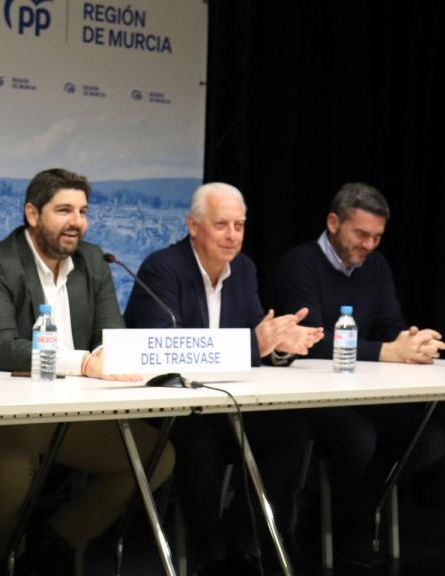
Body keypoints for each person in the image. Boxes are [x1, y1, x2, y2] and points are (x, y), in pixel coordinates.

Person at [0, 168, 175, 575]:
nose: (77, 222)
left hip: (68, 415)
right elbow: (0, 348)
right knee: (6, 470)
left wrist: (108, 355)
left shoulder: (93, 261)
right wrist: (83, 363)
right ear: (32, 214)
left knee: (156, 455)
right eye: (64, 210)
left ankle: (58, 541)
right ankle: (10, 557)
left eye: (83, 211)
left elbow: (111, 334)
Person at [123, 182, 323, 575]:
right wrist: (256, 343)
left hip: (224, 403)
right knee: (202, 442)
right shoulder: (163, 267)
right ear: (193, 226)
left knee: (292, 428)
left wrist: (282, 346)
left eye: (239, 225)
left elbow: (256, 338)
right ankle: (207, 553)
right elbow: (162, 349)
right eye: (221, 225)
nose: (233, 235)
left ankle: (243, 532)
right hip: (172, 408)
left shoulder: (243, 269)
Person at [271, 182, 445, 567]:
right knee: (358, 439)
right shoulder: (299, 264)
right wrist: (389, 351)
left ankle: (351, 507)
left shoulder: (376, 267)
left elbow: (389, 326)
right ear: (333, 222)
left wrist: (413, 343)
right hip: (307, 396)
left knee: (427, 440)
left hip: (360, 392)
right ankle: (345, 526)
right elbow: (311, 340)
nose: (369, 245)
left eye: (377, 237)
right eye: (361, 234)